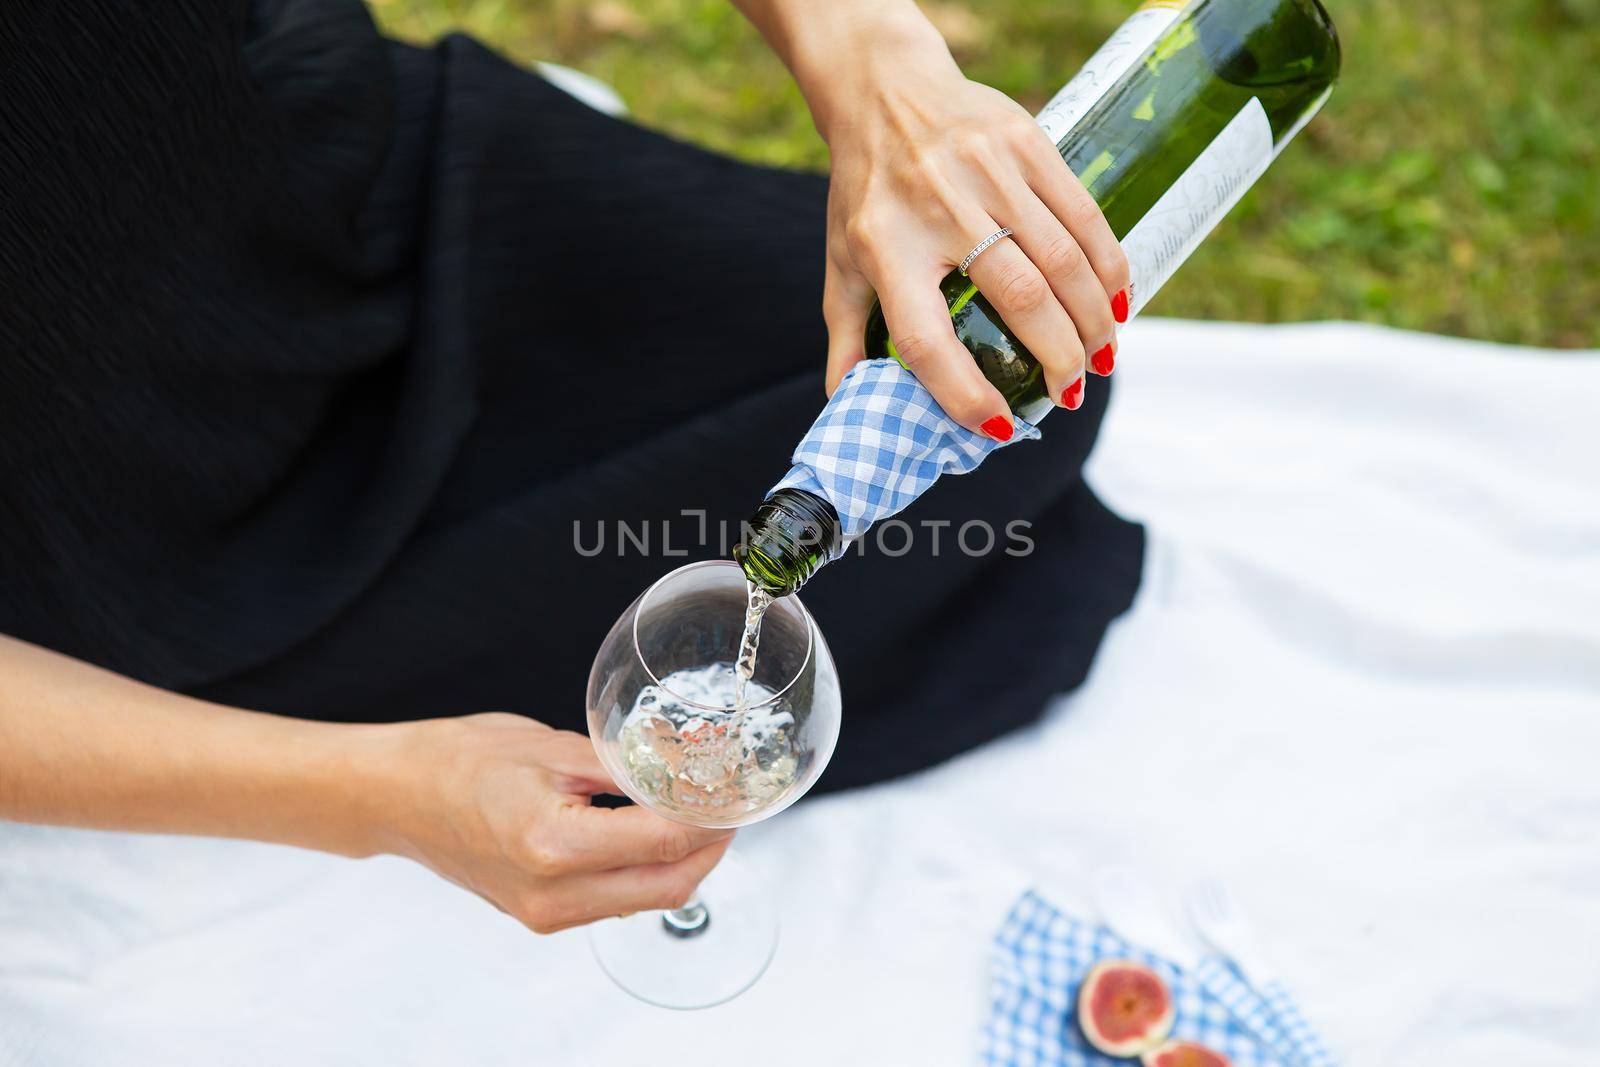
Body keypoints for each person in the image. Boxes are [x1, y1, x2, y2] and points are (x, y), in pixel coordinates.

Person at [0, 0, 1143, 934]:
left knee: (1019, 375)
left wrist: (865, 55)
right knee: (1002, 519)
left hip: (348, 189)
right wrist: (380, 791)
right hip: (173, 524)